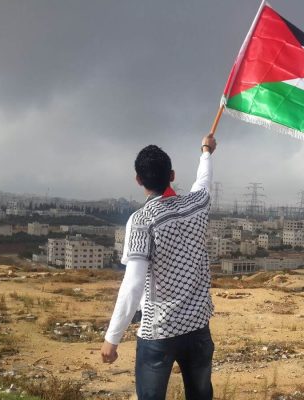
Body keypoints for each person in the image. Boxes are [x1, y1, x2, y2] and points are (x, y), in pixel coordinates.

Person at [101, 134, 217, 400]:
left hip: (159, 330)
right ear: (172, 175)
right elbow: (203, 182)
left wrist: (112, 337)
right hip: (198, 325)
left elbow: (132, 285)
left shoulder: (142, 220)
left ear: (139, 180)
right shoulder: (195, 206)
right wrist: (206, 152)